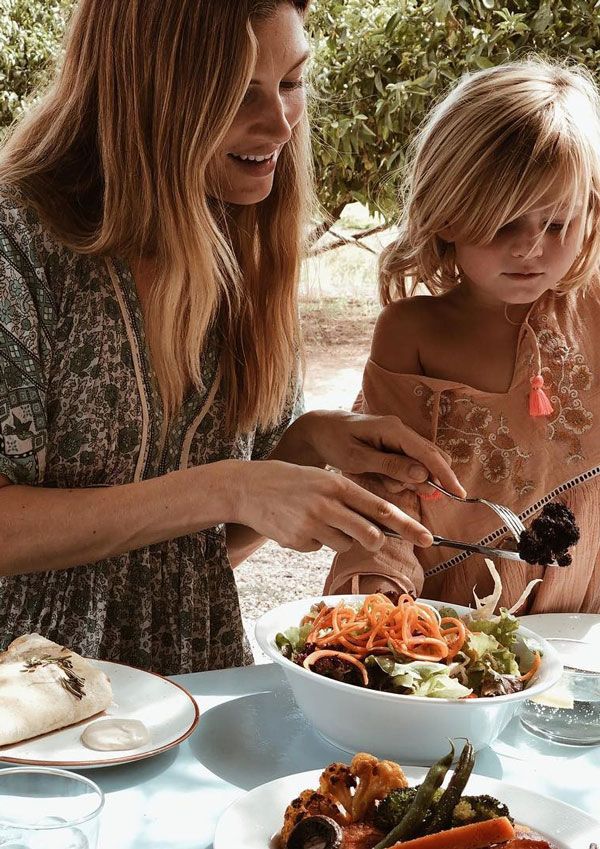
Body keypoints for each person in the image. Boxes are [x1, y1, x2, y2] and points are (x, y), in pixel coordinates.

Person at [0, 0, 463, 675]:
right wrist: (228, 486)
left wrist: (304, 450)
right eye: (238, 91)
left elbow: (195, 552)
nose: (279, 122)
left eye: (291, 81)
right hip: (28, 719)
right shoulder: (17, 247)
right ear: (147, 89)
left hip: (191, 702)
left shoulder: (241, 242)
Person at [325, 59, 600, 614]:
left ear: (590, 210)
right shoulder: (412, 333)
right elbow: (387, 491)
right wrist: (383, 602)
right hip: (449, 618)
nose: (529, 248)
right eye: (503, 223)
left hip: (582, 621)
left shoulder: (594, 308)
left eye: (556, 223)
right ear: (447, 214)